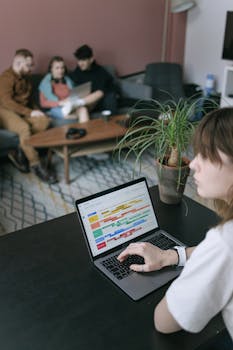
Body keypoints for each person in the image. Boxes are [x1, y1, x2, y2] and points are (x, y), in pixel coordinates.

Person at [118, 107, 233, 349]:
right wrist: (172, 255)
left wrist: (192, 277)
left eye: (207, 155)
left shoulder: (225, 242)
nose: (193, 165)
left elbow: (164, 321)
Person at [0, 49, 56, 184]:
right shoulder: (6, 78)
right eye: (29, 65)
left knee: (45, 121)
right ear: (19, 63)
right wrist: (30, 113)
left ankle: (18, 149)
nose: (32, 68)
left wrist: (37, 112)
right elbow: (7, 102)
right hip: (5, 111)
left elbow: (30, 102)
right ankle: (36, 165)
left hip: (22, 112)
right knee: (24, 128)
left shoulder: (28, 79)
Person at [39, 56, 90, 126]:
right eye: (57, 68)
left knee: (83, 109)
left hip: (70, 105)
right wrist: (60, 103)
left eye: (62, 68)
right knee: (71, 114)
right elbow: (43, 103)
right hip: (56, 108)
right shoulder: (46, 83)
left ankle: (86, 134)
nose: (60, 71)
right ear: (51, 69)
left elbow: (73, 94)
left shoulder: (68, 80)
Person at [70, 44, 118, 116]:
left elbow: (102, 92)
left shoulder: (100, 71)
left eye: (83, 60)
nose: (80, 63)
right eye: (79, 60)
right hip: (90, 101)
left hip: (105, 99)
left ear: (91, 59)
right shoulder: (77, 72)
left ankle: (112, 123)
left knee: (109, 97)